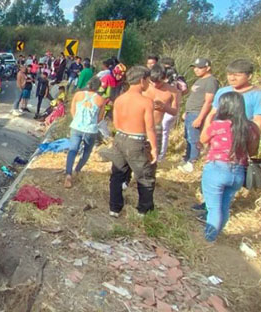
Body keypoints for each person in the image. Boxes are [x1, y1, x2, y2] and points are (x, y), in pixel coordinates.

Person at [200, 92, 260, 242]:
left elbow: (203, 139)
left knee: (213, 208)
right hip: (238, 172)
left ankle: (209, 239)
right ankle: (216, 234)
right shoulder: (251, 128)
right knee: (225, 207)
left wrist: (208, 118)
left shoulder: (218, 125)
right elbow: (252, 151)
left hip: (216, 169)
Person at [108, 66, 157, 217]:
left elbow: (115, 123)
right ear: (142, 80)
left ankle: (114, 208)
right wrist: (154, 148)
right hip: (136, 140)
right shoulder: (146, 102)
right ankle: (144, 209)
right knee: (145, 176)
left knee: (117, 174)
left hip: (120, 138)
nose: (149, 83)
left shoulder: (119, 99)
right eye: (148, 80)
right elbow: (150, 128)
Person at [178, 58, 219, 173]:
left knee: (194, 139)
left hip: (197, 113)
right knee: (188, 137)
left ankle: (192, 161)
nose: (196, 70)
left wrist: (200, 118)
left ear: (208, 68)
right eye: (195, 67)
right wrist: (187, 111)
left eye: (200, 67)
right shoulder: (199, 80)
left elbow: (209, 101)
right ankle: (187, 158)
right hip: (191, 112)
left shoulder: (211, 81)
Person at [64, 78, 106, 188]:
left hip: (76, 126)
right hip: (90, 129)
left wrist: (77, 120)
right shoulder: (101, 100)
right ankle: (77, 170)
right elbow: (100, 117)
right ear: (98, 87)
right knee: (87, 151)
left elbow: (73, 110)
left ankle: (68, 174)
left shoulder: (78, 95)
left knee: (72, 150)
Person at [143, 65, 178, 155]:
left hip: (156, 126)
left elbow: (174, 111)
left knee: (154, 153)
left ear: (165, 79)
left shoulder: (172, 91)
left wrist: (164, 107)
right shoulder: (144, 87)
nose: (155, 85)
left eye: (158, 82)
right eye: (152, 81)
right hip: (141, 123)